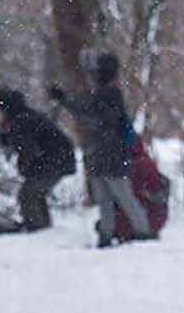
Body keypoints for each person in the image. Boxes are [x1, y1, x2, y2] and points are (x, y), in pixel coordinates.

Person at [50, 51, 154, 248]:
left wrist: (64, 100)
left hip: (110, 157)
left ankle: (142, 232)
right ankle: (109, 234)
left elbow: (88, 111)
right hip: (104, 157)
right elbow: (89, 111)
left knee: (120, 197)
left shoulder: (109, 94)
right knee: (107, 199)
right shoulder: (107, 93)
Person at [0, 88, 75, 232]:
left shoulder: (20, 121)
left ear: (3, 107)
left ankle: (36, 231)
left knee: (28, 195)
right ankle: (44, 229)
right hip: (57, 160)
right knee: (34, 194)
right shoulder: (19, 117)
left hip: (56, 161)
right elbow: (11, 137)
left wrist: (23, 168)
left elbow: (28, 149)